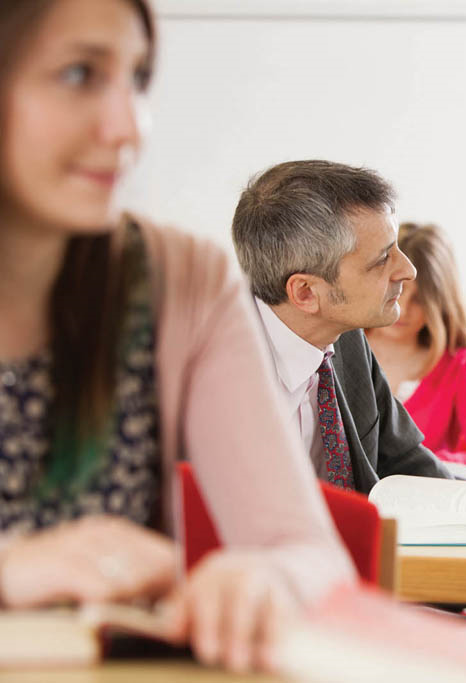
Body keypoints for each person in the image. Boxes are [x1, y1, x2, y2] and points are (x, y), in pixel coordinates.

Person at [0, 0, 351, 672]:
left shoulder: (184, 279)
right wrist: (11, 568)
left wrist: (266, 580)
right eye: (78, 74)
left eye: (137, 79)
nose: (128, 127)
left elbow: (312, 557)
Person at [231, 161, 452, 493]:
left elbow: (407, 464)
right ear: (306, 292)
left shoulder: (347, 339)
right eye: (382, 259)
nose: (408, 270)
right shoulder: (208, 369)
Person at [366, 223, 466, 482]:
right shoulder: (337, 345)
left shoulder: (458, 364)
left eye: (419, 299)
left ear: (439, 301)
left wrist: (419, 464)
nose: (403, 308)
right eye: (396, 289)